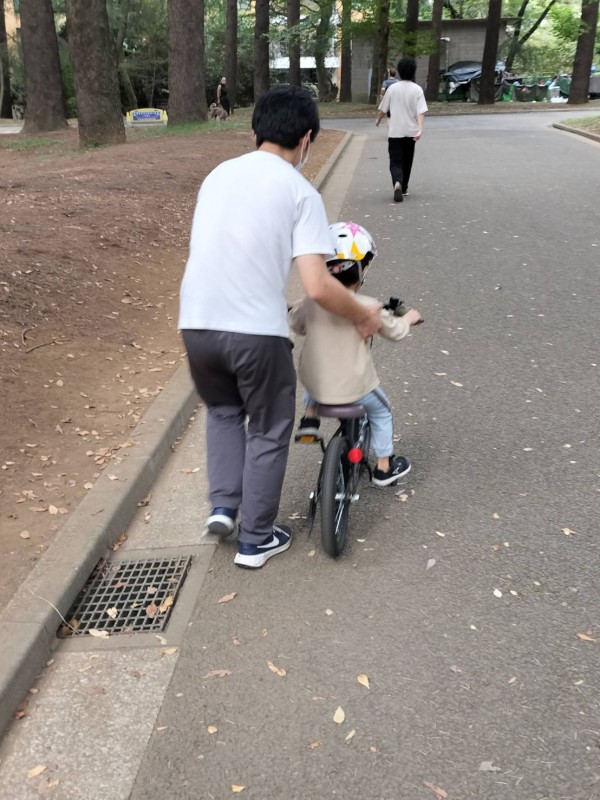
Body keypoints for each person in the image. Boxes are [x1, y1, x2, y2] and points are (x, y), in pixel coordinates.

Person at [178, 86, 382, 569]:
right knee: (269, 426)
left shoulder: (217, 176)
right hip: (254, 331)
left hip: (195, 324)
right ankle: (256, 539)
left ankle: (224, 508)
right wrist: (363, 314)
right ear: (307, 138)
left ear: (254, 133)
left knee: (224, 412)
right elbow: (317, 286)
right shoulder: (299, 191)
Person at [289, 221, 422, 487]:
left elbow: (296, 324)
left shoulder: (311, 303)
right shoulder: (369, 307)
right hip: (355, 387)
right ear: (363, 268)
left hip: (317, 386)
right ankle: (385, 467)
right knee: (383, 411)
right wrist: (408, 318)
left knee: (315, 373)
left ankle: (310, 418)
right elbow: (395, 331)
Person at [375, 57, 428, 203]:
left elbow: (383, 108)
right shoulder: (417, 89)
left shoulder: (392, 88)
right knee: (407, 160)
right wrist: (420, 129)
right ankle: (403, 187)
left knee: (395, 160)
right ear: (413, 71)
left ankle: (397, 182)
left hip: (395, 132)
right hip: (411, 132)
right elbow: (420, 112)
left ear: (398, 71)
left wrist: (378, 120)